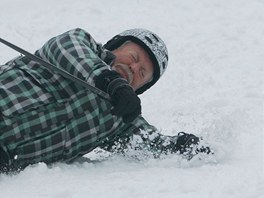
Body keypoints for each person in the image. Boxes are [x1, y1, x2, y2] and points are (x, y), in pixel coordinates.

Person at [0, 28, 211, 173]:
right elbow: (67, 47)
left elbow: (149, 143)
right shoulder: (77, 44)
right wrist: (109, 80)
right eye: (134, 57)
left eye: (142, 73)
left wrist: (182, 146)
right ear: (115, 47)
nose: (133, 68)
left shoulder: (118, 120)